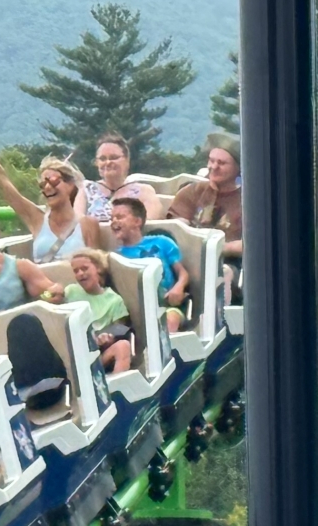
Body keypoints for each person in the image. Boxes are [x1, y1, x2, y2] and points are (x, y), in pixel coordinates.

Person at [0, 113, 103, 261]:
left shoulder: (87, 224)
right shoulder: (37, 219)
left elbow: (97, 265)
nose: (48, 187)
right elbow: (3, 185)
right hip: (44, 276)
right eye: (43, 184)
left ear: (70, 185)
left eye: (53, 181)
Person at [47, 247, 134, 373]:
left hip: (98, 355)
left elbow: (120, 330)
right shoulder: (71, 291)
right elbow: (46, 299)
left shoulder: (114, 300)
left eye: (85, 268)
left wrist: (108, 338)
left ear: (98, 268)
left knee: (123, 346)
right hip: (74, 352)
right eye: (76, 271)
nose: (80, 273)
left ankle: (117, 383)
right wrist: (50, 292)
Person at [107, 197, 186, 331]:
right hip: (137, 312)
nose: (114, 221)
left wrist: (178, 287)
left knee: (169, 320)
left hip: (167, 305)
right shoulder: (116, 257)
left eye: (120, 217)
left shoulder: (162, 242)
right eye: (111, 218)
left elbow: (182, 273)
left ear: (137, 221)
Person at [166, 133, 243, 261]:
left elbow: (253, 243)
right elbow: (175, 230)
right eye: (211, 161)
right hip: (188, 259)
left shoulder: (247, 201)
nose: (214, 167)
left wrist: (220, 249)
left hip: (230, 261)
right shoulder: (192, 191)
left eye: (222, 163)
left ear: (237, 168)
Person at [83, 132, 160, 223]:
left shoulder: (144, 191)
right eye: (102, 159)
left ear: (127, 160)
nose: (108, 162)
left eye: (114, 157)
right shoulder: (86, 189)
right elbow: (77, 222)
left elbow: (151, 224)